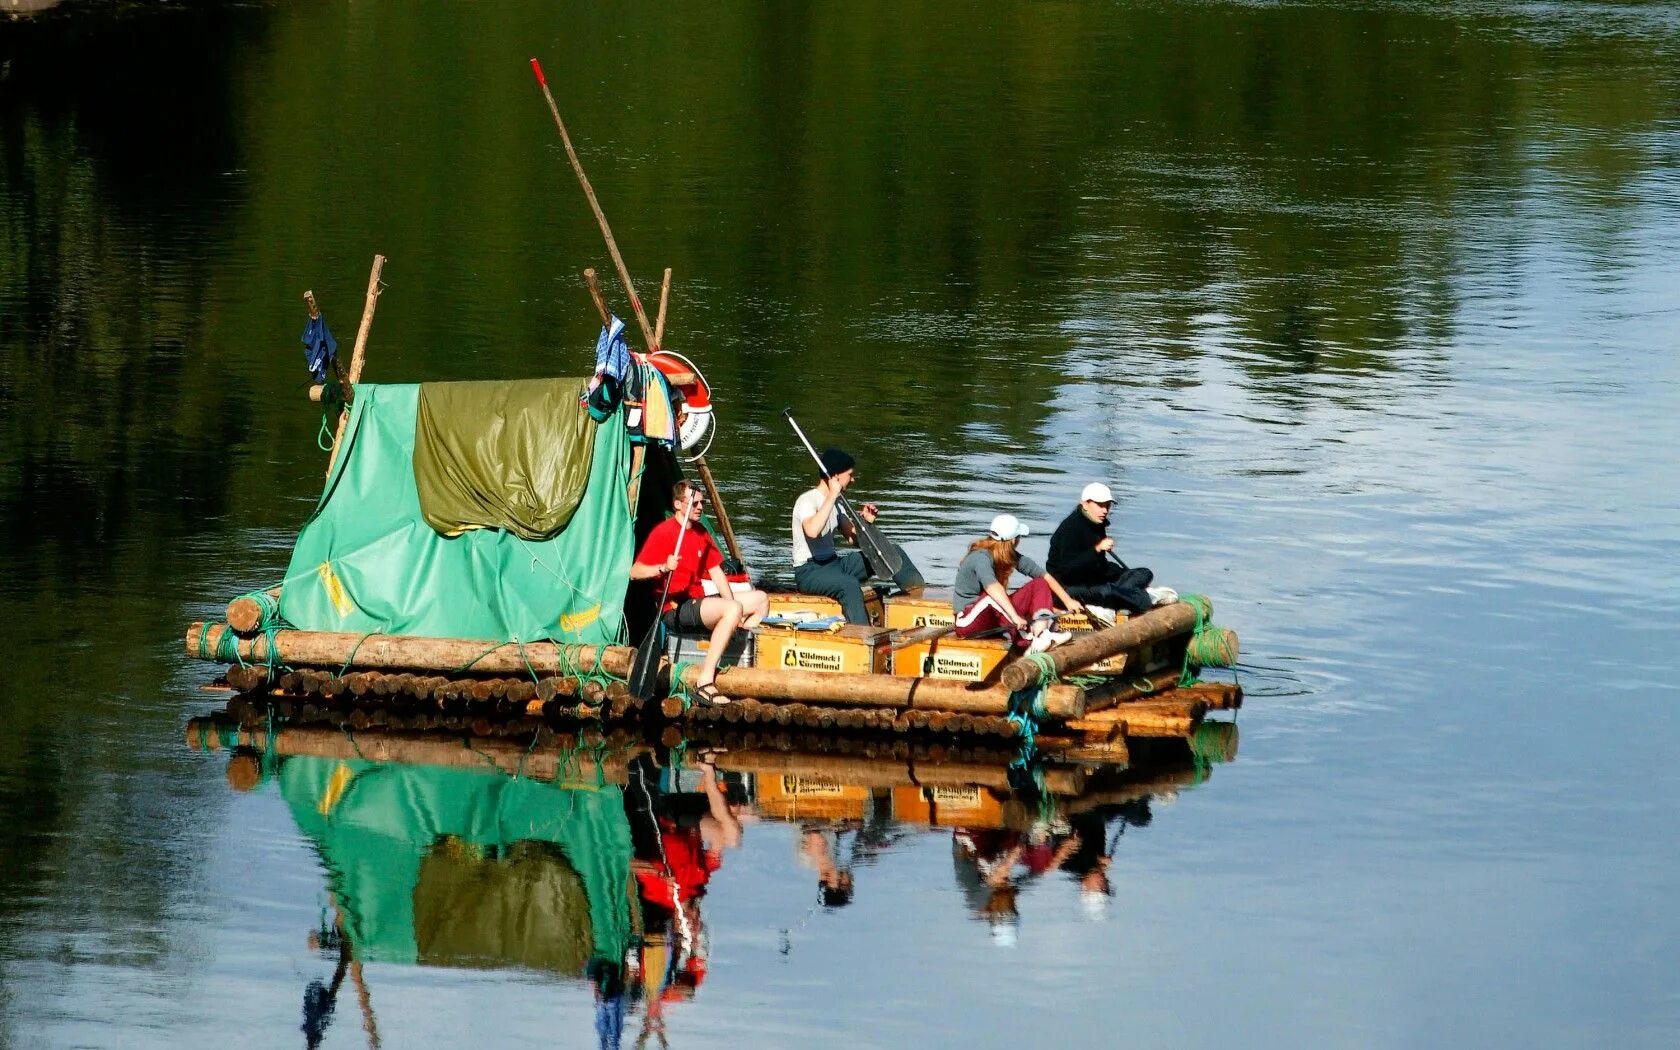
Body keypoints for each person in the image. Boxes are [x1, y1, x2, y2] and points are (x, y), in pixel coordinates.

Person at [632, 481, 769, 703]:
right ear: (678, 504)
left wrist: (733, 609)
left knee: (760, 600)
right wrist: (663, 567)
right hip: (674, 607)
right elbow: (635, 572)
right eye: (694, 502)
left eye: (702, 502)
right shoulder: (664, 533)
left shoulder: (701, 533)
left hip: (697, 601)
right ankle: (705, 681)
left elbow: (717, 573)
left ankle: (731, 653)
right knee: (733, 609)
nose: (700, 507)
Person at [790, 447, 921, 624]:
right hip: (810, 572)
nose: (853, 479)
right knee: (849, 584)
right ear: (835, 476)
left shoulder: (837, 503)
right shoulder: (807, 500)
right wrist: (831, 497)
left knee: (891, 552)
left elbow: (854, 540)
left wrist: (866, 524)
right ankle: (864, 639)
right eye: (850, 474)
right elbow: (812, 531)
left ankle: (920, 605)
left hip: (834, 564)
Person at [951, 514, 1082, 644]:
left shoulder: (1010, 556)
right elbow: (993, 588)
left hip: (993, 619)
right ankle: (1028, 641)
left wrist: (1068, 601)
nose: (1019, 540)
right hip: (967, 621)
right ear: (1013, 540)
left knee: (1040, 583)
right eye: (1018, 536)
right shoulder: (980, 557)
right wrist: (1015, 616)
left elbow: (1045, 576)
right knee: (991, 597)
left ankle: (1043, 632)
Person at [1046, 482, 1155, 616]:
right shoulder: (1071, 528)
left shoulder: (1097, 524)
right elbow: (1067, 571)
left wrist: (1125, 573)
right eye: (1100, 505)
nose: (1105, 510)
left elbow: (1101, 565)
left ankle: (1126, 596)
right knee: (1107, 591)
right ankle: (1144, 600)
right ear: (1085, 504)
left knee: (1143, 573)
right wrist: (1096, 549)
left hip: (1093, 580)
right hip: (1067, 588)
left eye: (1107, 506)